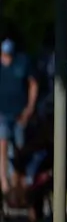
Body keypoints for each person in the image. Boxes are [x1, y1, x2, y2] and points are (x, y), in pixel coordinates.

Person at [0, 38, 38, 195]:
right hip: (2, 112)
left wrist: (29, 108)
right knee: (2, 143)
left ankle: (17, 181)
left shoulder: (22, 62)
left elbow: (33, 83)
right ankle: (4, 180)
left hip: (19, 112)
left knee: (19, 148)